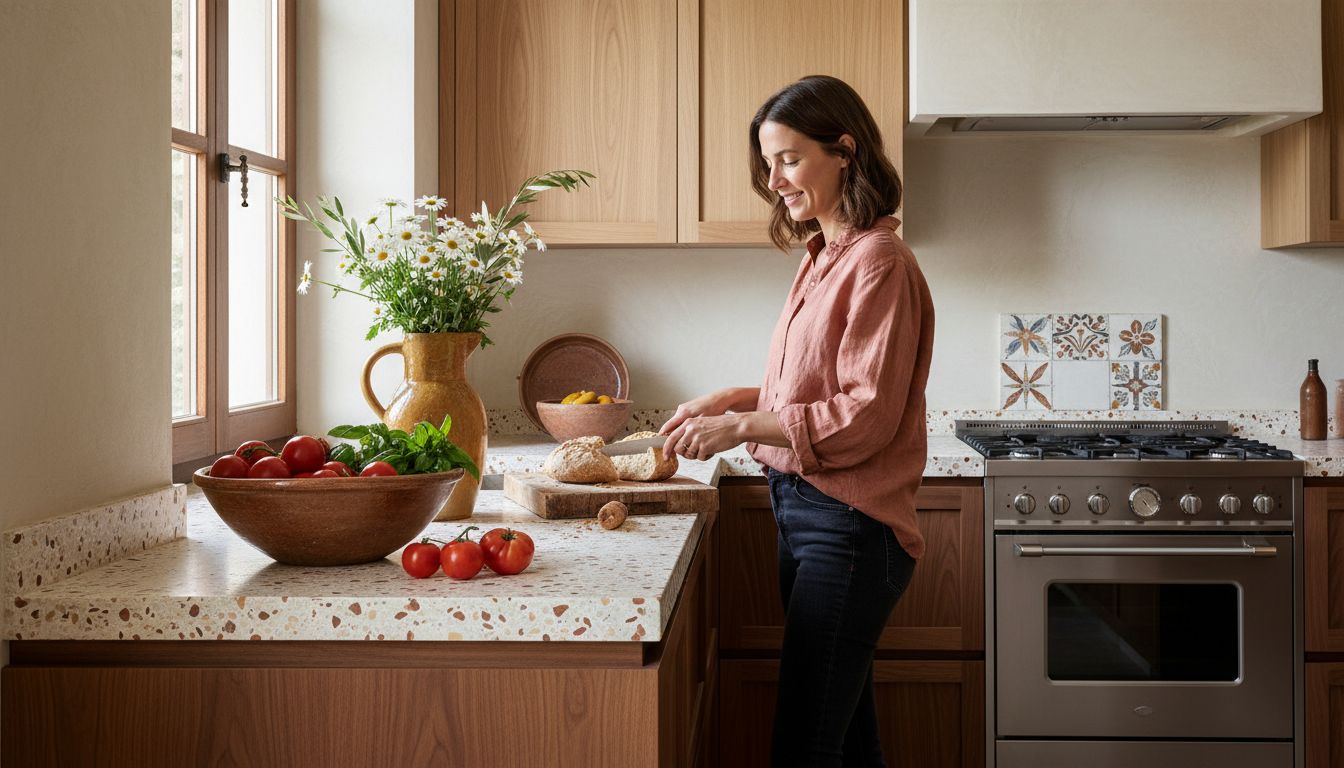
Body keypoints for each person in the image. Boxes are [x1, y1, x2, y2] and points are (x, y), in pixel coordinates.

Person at [658, 74, 935, 767]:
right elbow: (813, 386)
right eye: (768, 162)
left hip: (851, 528)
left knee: (804, 746)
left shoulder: (879, 262)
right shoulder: (824, 256)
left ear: (844, 151)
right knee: (842, 736)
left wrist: (743, 429)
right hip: (809, 514)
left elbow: (865, 414)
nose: (775, 179)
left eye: (788, 158)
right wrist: (734, 401)